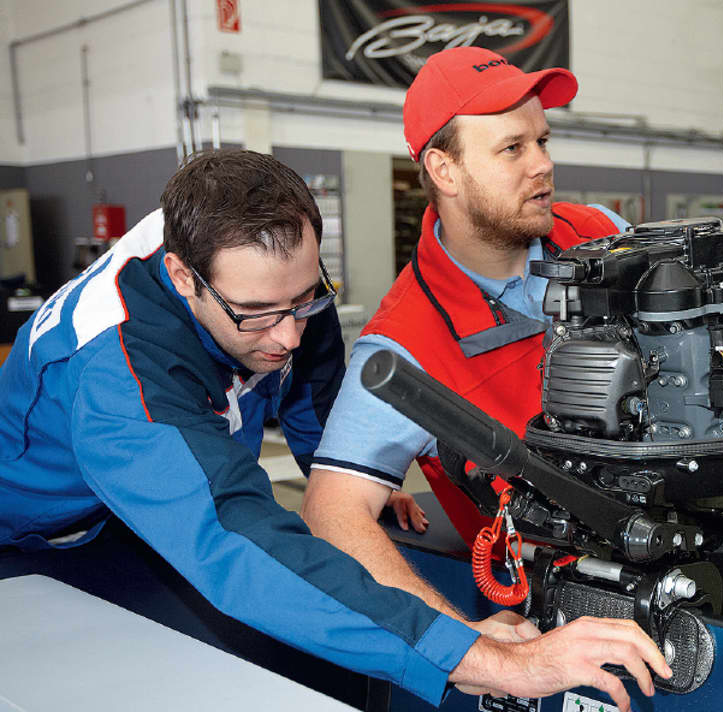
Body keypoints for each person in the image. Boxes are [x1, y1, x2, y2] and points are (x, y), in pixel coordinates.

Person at [0, 149, 668, 710]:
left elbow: (311, 387)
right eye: (258, 314)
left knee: (318, 664)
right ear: (183, 278)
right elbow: (234, 539)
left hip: (163, 495)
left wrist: (343, 470)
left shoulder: (252, 259)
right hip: (45, 539)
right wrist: (485, 659)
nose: (290, 334)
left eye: (306, 299)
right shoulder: (116, 378)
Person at [304, 45, 628, 608]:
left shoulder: (600, 232)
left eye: (543, 141)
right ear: (443, 169)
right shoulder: (404, 344)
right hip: (559, 599)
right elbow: (329, 514)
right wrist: (469, 645)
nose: (542, 164)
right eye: (512, 148)